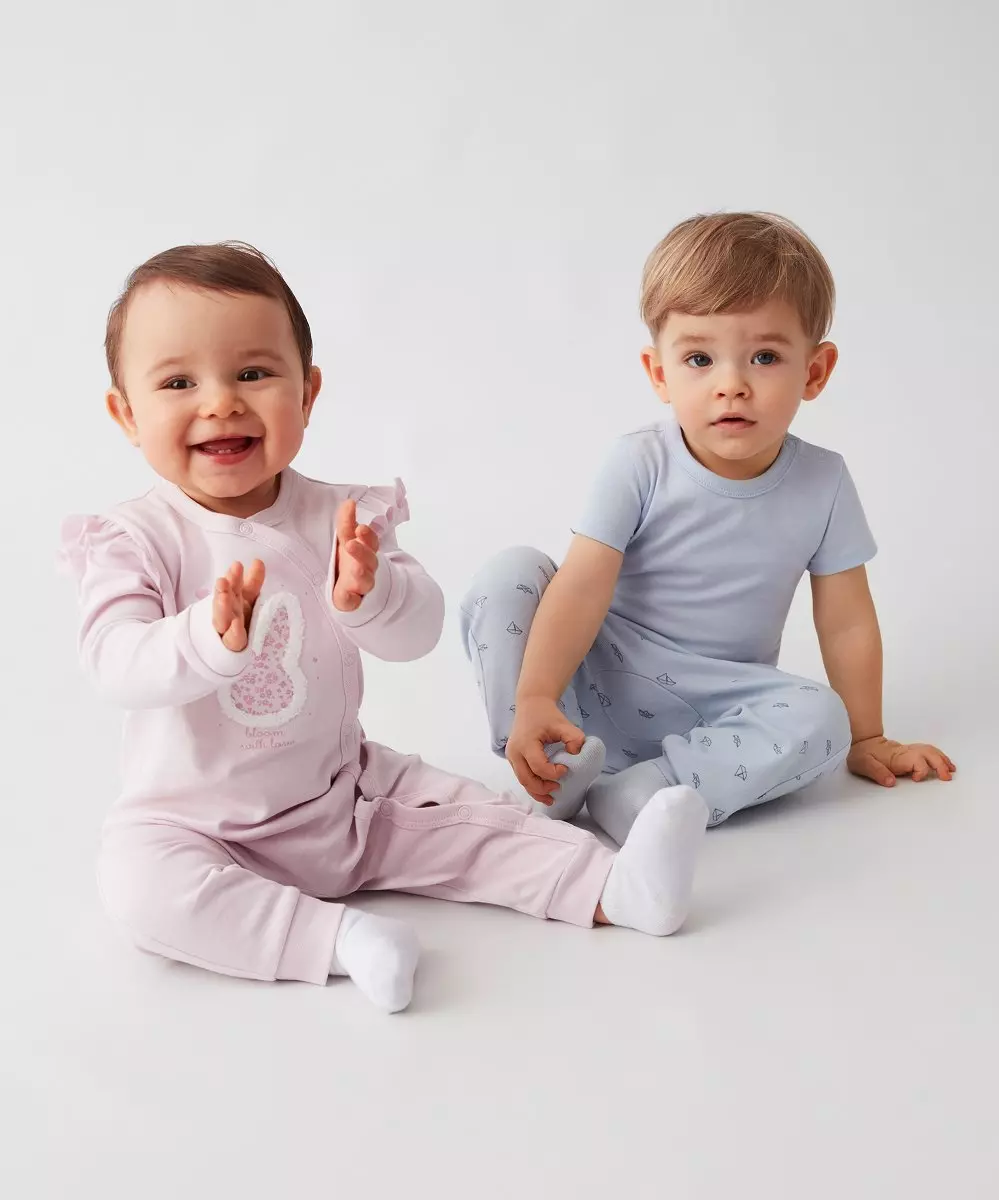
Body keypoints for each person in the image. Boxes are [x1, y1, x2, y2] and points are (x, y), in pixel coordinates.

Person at [61, 243, 709, 1014]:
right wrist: (206, 638)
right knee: (137, 889)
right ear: (126, 415)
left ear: (307, 392)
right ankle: (340, 941)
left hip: (343, 795)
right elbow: (113, 663)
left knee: (475, 818)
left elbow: (419, 633)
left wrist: (367, 597)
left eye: (253, 373)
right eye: (178, 382)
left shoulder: (341, 517)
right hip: (198, 823)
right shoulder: (132, 539)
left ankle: (617, 887)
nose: (220, 403)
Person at [461, 212, 955, 846]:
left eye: (765, 357)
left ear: (815, 371)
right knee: (511, 574)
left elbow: (848, 619)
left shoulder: (824, 482)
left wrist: (867, 736)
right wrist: (536, 695)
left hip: (719, 701)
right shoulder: (639, 462)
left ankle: (646, 794)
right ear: (660, 373)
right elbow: (582, 587)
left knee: (819, 719)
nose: (732, 385)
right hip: (598, 675)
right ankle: (542, 761)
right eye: (700, 358)